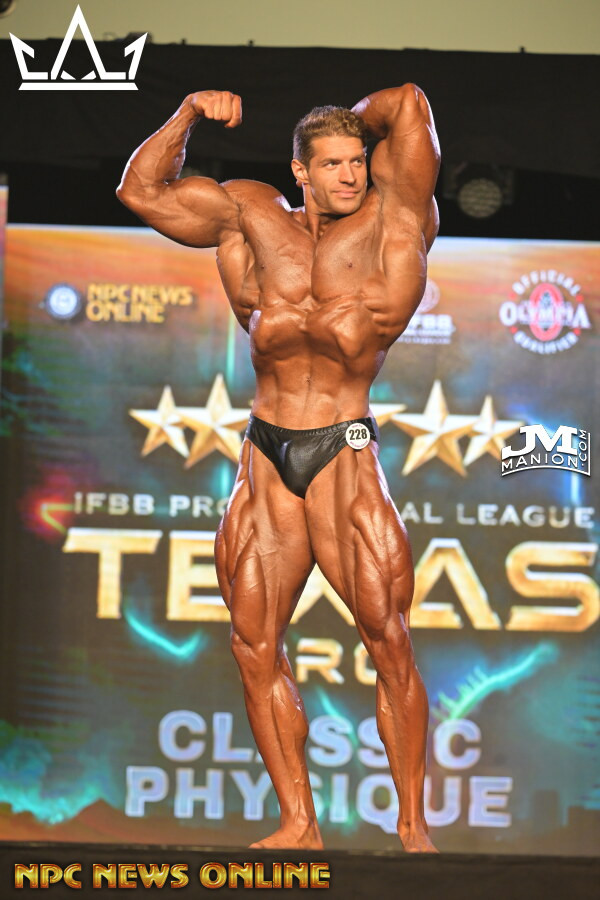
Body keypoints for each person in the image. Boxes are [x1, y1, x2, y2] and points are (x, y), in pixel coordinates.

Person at [117, 85, 440, 852]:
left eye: (357, 161)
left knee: (387, 638)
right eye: (332, 164)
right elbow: (141, 191)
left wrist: (351, 123)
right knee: (254, 645)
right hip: (266, 452)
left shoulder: (397, 219)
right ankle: (299, 823)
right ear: (299, 170)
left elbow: (408, 102)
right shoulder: (250, 218)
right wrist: (188, 114)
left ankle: (412, 831)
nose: (350, 175)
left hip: (344, 449)